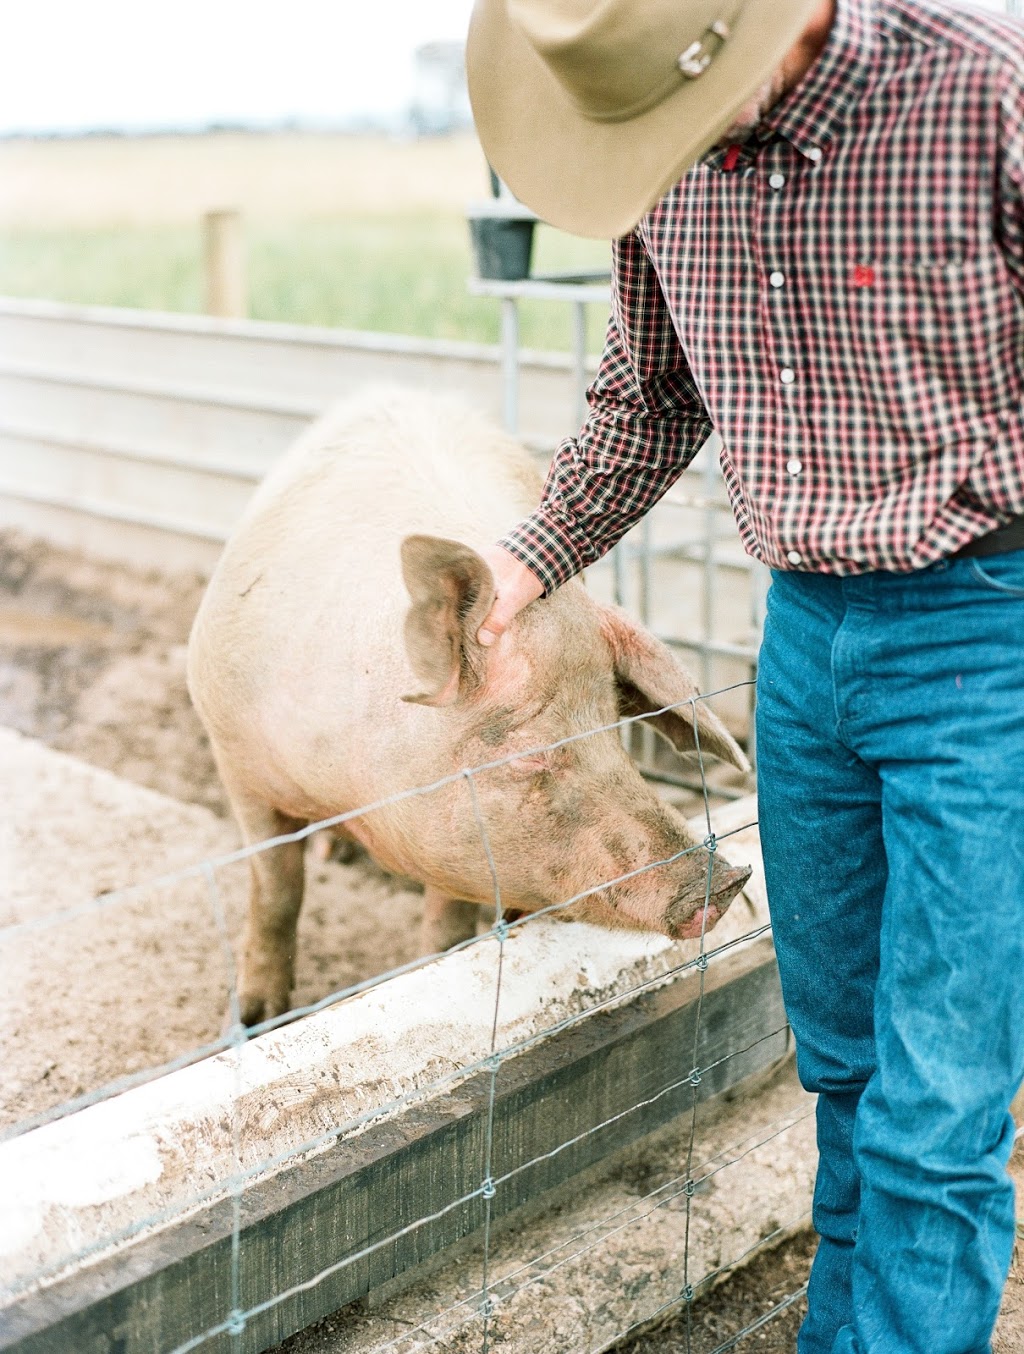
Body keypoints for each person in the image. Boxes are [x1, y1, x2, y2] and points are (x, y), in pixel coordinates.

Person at [465, 1, 1024, 1351]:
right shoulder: (654, 153)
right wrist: (523, 563)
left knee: (937, 1107)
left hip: (987, 626)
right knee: (840, 1061)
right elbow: (651, 395)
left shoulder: (982, 97)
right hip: (804, 640)